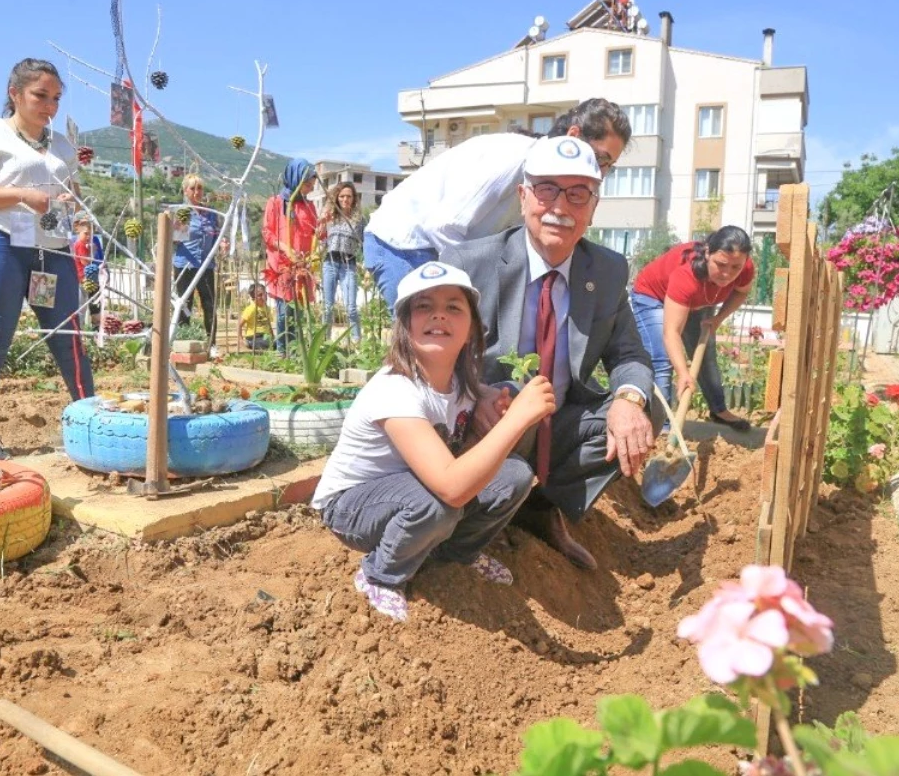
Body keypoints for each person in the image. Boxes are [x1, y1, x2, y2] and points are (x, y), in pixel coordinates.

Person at [441, 135, 662, 571]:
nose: (561, 206)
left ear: (593, 207)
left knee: (643, 411)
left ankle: (539, 508)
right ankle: (472, 518)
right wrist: (475, 391)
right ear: (524, 197)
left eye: (578, 194)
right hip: (487, 418)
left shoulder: (608, 270)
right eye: (547, 190)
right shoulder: (471, 263)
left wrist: (628, 400)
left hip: (556, 420)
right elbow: (425, 355)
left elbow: (630, 356)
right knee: (507, 393)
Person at [312, 262, 556, 621]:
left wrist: (492, 396)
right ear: (405, 326)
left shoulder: (460, 381)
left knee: (514, 475)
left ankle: (455, 553)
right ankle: (380, 574)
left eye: (453, 307)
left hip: (410, 493)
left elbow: (471, 397)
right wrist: (518, 419)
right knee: (439, 503)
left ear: (471, 329)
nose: (438, 315)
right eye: (423, 306)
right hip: (352, 506)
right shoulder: (395, 390)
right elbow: (451, 488)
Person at [364, 98, 631, 309]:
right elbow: (443, 226)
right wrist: (478, 286)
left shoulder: (548, 186)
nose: (601, 172)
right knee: (425, 350)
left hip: (439, 245)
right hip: (406, 243)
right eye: (600, 159)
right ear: (573, 136)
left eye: (609, 166)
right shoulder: (515, 158)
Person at [0, 58, 94, 460]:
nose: (49, 105)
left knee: (70, 339)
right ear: (14, 93)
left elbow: (70, 190)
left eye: (55, 97)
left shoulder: (62, 144)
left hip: (50, 250)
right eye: (40, 95)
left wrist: (73, 200)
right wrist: (22, 195)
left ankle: (89, 420)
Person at [630, 226, 755, 432]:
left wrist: (718, 319)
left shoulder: (744, 268)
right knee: (662, 359)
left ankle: (719, 411)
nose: (727, 274)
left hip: (697, 300)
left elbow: (741, 293)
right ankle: (663, 427)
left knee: (705, 354)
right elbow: (671, 333)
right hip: (652, 297)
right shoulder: (686, 275)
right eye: (721, 264)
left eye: (735, 267)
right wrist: (683, 372)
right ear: (707, 253)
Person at [262, 158, 319, 354]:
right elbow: (267, 233)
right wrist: (285, 248)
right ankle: (281, 351)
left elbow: (315, 232)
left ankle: (295, 351)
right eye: (307, 183)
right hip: (282, 263)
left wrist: (322, 230)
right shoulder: (276, 203)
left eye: (312, 184)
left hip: (301, 264)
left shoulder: (309, 206)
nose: (311, 187)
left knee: (298, 310)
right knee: (284, 310)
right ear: (295, 179)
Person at [174, 174, 220, 351]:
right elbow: (175, 240)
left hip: (206, 266)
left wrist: (222, 244)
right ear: (185, 191)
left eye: (199, 188)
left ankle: (212, 344)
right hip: (185, 265)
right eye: (192, 188)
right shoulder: (183, 213)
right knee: (185, 305)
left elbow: (216, 236)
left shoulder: (211, 214)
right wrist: (176, 230)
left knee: (210, 305)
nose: (197, 192)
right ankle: (182, 344)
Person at [317, 182, 365, 343]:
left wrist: (366, 265)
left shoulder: (358, 219)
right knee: (328, 307)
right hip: (330, 262)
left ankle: (356, 340)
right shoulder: (330, 216)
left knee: (351, 306)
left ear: (353, 199)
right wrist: (322, 222)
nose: (345, 199)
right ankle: (325, 341)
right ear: (337, 198)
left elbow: (364, 242)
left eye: (349, 196)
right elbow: (318, 237)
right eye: (342, 196)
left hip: (348, 264)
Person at [70, 215, 103, 327]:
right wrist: (91, 251)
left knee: (95, 304)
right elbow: (85, 262)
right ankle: (79, 329)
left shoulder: (92, 241)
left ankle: (96, 326)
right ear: (78, 231)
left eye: (91, 233)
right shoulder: (80, 244)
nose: (89, 236)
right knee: (82, 305)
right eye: (86, 233)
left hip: (93, 278)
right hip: (83, 279)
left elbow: (101, 258)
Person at [239, 283, 274, 351]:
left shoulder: (267, 309)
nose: (263, 297)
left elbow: (269, 324)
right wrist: (241, 340)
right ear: (253, 298)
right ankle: (249, 343)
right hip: (253, 337)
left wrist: (273, 336)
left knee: (278, 341)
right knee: (270, 344)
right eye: (259, 295)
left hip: (265, 336)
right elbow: (239, 325)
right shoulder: (250, 309)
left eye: (264, 294)